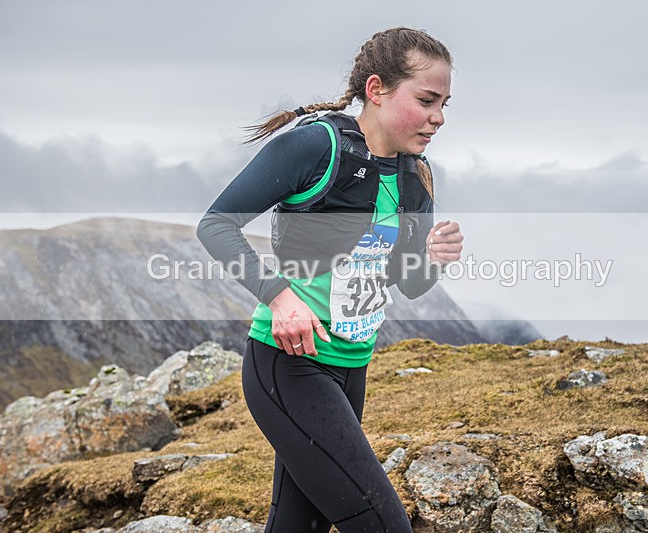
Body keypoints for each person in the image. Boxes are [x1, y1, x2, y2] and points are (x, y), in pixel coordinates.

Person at [196, 26, 463, 533]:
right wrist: (279, 297)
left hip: (351, 369)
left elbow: (409, 282)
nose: (438, 117)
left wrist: (436, 259)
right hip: (290, 365)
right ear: (377, 88)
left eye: (446, 104)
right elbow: (216, 225)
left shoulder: (416, 174)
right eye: (427, 100)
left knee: (300, 525)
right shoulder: (316, 146)